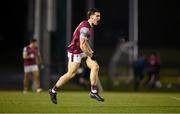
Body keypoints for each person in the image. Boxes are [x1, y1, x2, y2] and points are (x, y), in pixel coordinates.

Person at [49, 8, 104, 104]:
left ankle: (93, 91)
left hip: (82, 51)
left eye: (99, 16)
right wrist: (91, 54)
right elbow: (82, 45)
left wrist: (91, 52)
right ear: (91, 16)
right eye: (97, 16)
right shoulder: (85, 28)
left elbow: (85, 43)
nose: (99, 18)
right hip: (75, 51)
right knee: (71, 74)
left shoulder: (87, 25)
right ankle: (53, 90)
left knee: (95, 67)